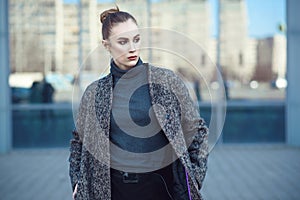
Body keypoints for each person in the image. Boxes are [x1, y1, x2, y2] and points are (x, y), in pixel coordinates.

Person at [69, 6, 209, 200]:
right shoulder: (94, 92)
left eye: (136, 39)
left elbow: (197, 130)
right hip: (113, 190)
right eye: (123, 42)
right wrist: (77, 181)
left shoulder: (167, 81)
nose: (132, 48)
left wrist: (194, 177)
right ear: (106, 45)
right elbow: (79, 141)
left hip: (163, 189)